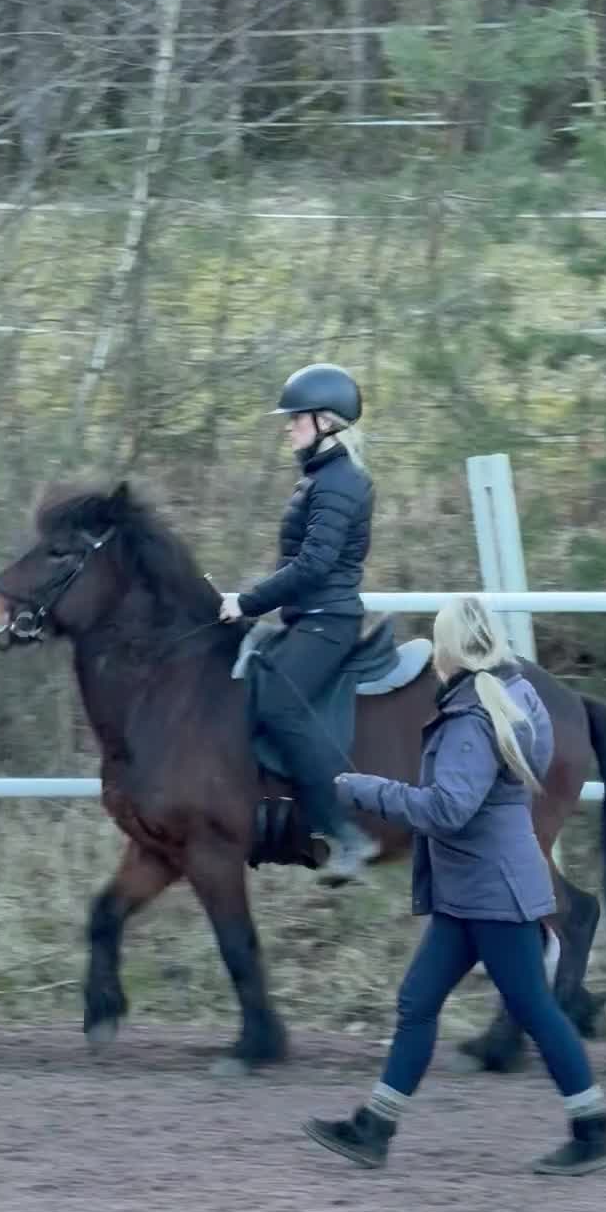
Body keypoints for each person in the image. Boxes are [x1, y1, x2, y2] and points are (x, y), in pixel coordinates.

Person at [303, 595, 606, 1175]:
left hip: (491, 895)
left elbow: (448, 808)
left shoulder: (473, 717)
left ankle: (594, 1128)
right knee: (418, 1001)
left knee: (535, 1009)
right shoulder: (514, 697)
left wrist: (361, 788)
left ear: (449, 649)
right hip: (472, 891)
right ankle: (374, 1127)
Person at [219, 362, 380, 886]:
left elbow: (312, 566)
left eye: (296, 419)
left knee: (280, 705)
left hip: (326, 622)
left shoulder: (339, 483)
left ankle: (345, 833)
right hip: (305, 616)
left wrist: (249, 602)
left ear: (327, 422)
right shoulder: (320, 479)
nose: (287, 427)